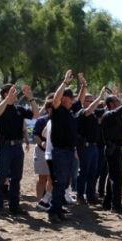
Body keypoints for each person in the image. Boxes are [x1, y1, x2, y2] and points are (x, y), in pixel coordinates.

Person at [0, 83, 39, 215]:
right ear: (6, 94)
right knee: (1, 176)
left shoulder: (18, 108)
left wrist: (31, 98)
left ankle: (14, 205)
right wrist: (7, 99)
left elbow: (36, 115)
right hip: (4, 146)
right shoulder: (0, 107)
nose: (16, 95)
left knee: (16, 177)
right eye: (13, 92)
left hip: (17, 146)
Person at [48, 70, 80, 222]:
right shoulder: (59, 110)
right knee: (60, 181)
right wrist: (65, 82)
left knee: (64, 181)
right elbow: (55, 99)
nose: (73, 100)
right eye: (71, 98)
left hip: (68, 151)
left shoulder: (69, 112)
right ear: (64, 98)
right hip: (60, 151)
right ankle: (53, 212)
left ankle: (58, 209)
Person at [75, 88, 105, 205]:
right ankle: (80, 195)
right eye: (90, 100)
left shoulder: (93, 114)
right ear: (84, 102)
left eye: (93, 100)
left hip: (93, 147)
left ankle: (90, 195)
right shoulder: (82, 112)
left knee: (93, 171)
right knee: (84, 171)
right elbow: (89, 110)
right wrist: (99, 98)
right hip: (85, 147)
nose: (93, 102)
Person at [32, 98, 53, 209]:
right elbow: (35, 136)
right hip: (42, 151)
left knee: (52, 178)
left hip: (55, 153)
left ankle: (47, 201)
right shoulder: (42, 120)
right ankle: (40, 200)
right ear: (48, 109)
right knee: (42, 177)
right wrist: (42, 142)